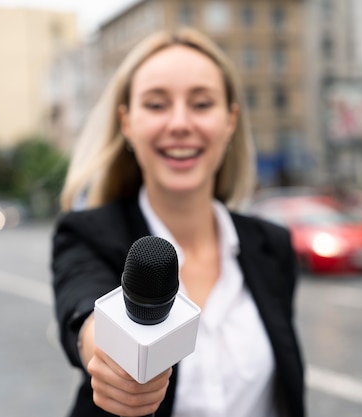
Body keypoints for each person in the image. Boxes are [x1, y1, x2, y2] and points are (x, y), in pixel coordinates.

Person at [51, 27, 306, 417]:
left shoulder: (271, 245)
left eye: (202, 104)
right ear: (127, 122)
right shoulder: (86, 234)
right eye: (156, 105)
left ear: (230, 120)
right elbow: (83, 307)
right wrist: (109, 357)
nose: (180, 123)